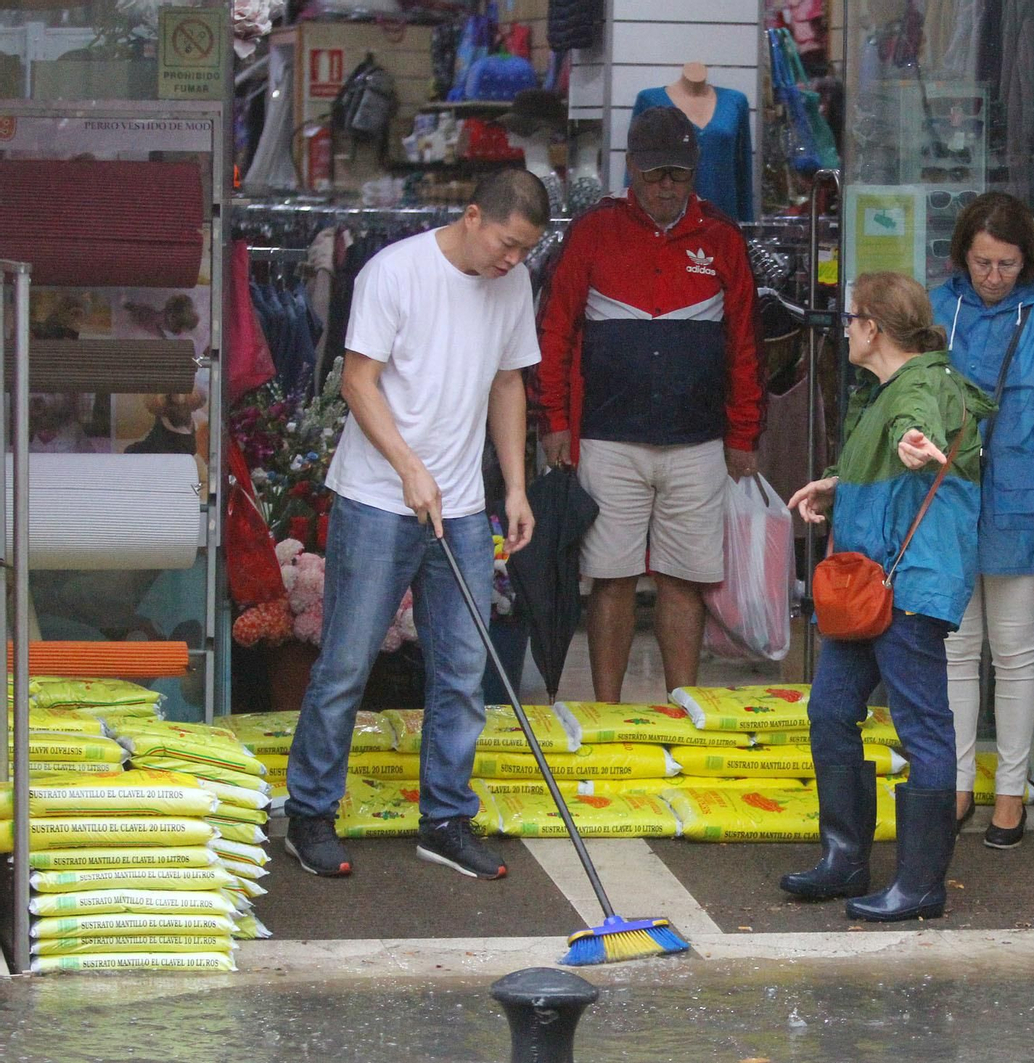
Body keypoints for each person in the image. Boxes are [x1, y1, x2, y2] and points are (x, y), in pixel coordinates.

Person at [283, 169, 548, 881]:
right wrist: (407, 465)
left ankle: (446, 817)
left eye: (526, 251)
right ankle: (309, 810)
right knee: (346, 660)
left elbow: (507, 381)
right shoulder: (393, 271)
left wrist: (515, 486)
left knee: (462, 669)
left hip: (461, 505)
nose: (512, 260)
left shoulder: (512, 287)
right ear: (471, 215)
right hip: (376, 497)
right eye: (507, 243)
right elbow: (357, 380)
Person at [782, 271, 995, 922]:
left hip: (906, 584)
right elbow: (887, 459)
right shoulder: (893, 387)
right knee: (830, 710)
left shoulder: (922, 386)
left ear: (873, 327)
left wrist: (916, 445)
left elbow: (915, 428)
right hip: (870, 584)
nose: (845, 328)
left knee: (924, 728)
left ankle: (920, 886)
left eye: (851, 319)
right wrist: (836, 484)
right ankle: (845, 859)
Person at [537, 106, 763, 702]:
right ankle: (608, 714)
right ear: (631, 167)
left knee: (684, 582)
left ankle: (681, 710)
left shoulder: (721, 237)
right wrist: (554, 420)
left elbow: (745, 343)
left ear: (695, 173)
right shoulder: (592, 232)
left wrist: (743, 432)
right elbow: (554, 331)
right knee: (610, 579)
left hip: (700, 441)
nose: (667, 186)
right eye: (656, 173)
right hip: (609, 438)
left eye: (680, 175)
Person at [929, 191, 1034, 849]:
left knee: (1016, 653)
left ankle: (1011, 792)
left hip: (1023, 507)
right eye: (982, 262)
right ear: (963, 256)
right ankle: (959, 783)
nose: (993, 276)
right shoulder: (939, 310)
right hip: (949, 502)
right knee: (955, 651)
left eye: (1005, 264)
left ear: (1026, 261)